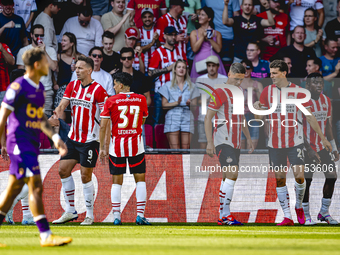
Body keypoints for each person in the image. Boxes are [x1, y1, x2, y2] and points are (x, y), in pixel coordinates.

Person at [0, 47, 71, 247]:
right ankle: (46, 235)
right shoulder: (17, 86)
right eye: (45, 61)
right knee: (35, 186)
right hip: (18, 142)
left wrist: (54, 138)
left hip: (31, 143)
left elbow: (39, 117)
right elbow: (2, 115)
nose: (49, 65)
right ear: (36, 64)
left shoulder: (39, 88)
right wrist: (3, 142)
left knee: (14, 190)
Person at [253, 60, 332, 226]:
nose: (271, 76)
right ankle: (287, 216)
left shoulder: (298, 92)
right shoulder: (267, 92)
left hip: (295, 141)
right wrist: (256, 108)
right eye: (270, 73)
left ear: (284, 73)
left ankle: (298, 206)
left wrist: (323, 138)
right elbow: (259, 119)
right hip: (274, 143)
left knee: (300, 177)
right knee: (280, 180)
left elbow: (310, 117)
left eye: (274, 73)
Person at [52, 56, 109, 225]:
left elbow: (106, 118)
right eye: (76, 68)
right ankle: (70, 211)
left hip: (90, 140)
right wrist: (56, 114)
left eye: (80, 68)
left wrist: (104, 144)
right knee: (63, 170)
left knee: (85, 176)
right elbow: (62, 105)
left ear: (90, 70)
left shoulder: (99, 90)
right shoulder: (72, 86)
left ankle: (89, 215)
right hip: (73, 137)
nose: (77, 70)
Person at [205, 63, 254, 226]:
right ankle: (226, 214)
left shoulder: (239, 92)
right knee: (233, 174)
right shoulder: (219, 91)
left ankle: (222, 215)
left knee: (228, 177)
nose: (238, 82)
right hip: (222, 140)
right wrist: (210, 143)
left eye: (241, 79)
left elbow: (242, 117)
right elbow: (208, 118)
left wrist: (248, 138)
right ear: (229, 74)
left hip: (236, 142)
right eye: (236, 78)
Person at [98, 72, 150, 225]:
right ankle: (140, 215)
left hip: (117, 147)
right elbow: (143, 120)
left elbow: (103, 126)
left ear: (121, 85)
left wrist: (103, 147)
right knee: (140, 180)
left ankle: (116, 217)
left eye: (114, 84)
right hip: (137, 146)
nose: (113, 87)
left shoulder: (111, 101)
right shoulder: (141, 99)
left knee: (116, 182)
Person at [302, 72, 339, 225]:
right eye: (315, 83)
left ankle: (324, 212)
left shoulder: (326, 100)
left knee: (332, 176)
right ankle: (305, 215)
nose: (319, 86)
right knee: (307, 181)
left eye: (321, 83)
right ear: (308, 85)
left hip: (322, 147)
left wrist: (334, 147)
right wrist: (308, 149)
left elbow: (328, 125)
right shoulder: (302, 102)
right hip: (307, 147)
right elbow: (298, 128)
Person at [148, 26, 187, 126]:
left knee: (176, 122)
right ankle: (156, 142)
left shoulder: (180, 52)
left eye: (175, 35)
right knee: (158, 121)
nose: (173, 37)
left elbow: (187, 70)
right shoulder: (158, 52)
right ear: (164, 36)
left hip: (177, 92)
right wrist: (167, 69)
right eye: (170, 35)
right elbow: (150, 73)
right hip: (161, 92)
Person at [16, 24, 57, 116]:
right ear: (31, 35)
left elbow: (54, 67)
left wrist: (44, 51)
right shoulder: (23, 51)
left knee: (46, 121)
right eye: (37, 35)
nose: (39, 38)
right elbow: (20, 73)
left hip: (46, 91)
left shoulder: (50, 50)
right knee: (28, 121)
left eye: (41, 35)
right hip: (29, 91)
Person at [158, 59, 199, 149]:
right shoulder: (167, 85)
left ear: (186, 70)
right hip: (172, 118)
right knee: (174, 151)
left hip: (187, 118)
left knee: (186, 150)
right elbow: (164, 106)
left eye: (184, 67)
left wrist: (190, 104)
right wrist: (177, 103)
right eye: (179, 67)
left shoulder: (193, 86)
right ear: (175, 69)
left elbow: (195, 108)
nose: (181, 69)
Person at [195, 55, 228, 149]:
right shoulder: (200, 80)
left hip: (220, 118)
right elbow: (196, 101)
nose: (211, 68)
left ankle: (218, 164)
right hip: (204, 117)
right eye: (209, 65)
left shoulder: (224, 79)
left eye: (213, 66)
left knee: (221, 145)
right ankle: (203, 164)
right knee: (203, 144)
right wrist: (210, 100)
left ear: (218, 66)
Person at [190, 6, 226, 79]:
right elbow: (194, 49)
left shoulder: (217, 33)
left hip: (214, 63)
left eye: (202, 15)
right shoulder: (194, 33)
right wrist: (202, 37)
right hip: (200, 64)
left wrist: (210, 38)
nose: (199, 16)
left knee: (216, 88)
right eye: (199, 14)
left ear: (209, 18)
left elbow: (218, 50)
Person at [54, 32, 82, 121]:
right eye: (61, 40)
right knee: (61, 115)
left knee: (78, 114)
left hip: (78, 90)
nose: (61, 42)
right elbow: (53, 72)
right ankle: (62, 134)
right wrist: (55, 83)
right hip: (63, 89)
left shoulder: (81, 57)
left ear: (72, 43)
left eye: (64, 41)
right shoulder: (59, 56)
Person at [240, 59, 263, 149]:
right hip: (240, 117)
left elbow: (263, 102)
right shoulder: (235, 85)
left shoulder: (257, 84)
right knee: (240, 150)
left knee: (252, 148)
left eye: (248, 68)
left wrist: (256, 90)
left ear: (251, 69)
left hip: (254, 117)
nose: (245, 70)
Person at [137, 8, 161, 72]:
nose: (147, 19)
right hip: (142, 65)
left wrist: (157, 40)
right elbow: (139, 49)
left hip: (156, 66)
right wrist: (152, 43)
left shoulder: (158, 31)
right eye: (145, 17)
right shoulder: (139, 31)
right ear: (142, 18)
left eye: (149, 17)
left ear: (153, 18)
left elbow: (161, 49)